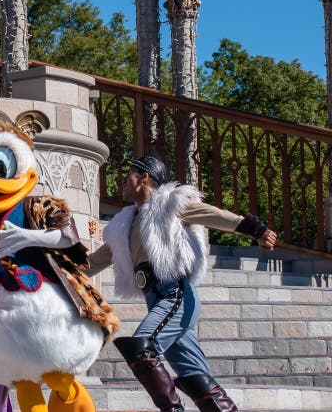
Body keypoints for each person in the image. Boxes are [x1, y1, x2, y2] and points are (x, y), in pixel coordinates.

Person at [0, 109, 120, 412]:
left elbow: (69, 238)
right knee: (24, 384)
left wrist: (30, 237)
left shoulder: (36, 205)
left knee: (59, 378)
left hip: (43, 311)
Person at [86, 155, 277, 412]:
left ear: (144, 177)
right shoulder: (124, 224)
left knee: (142, 348)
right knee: (196, 378)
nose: (122, 181)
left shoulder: (170, 204)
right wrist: (54, 267)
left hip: (176, 295)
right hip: (156, 301)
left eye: (128, 174)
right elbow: (96, 260)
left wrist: (255, 229)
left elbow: (212, 215)